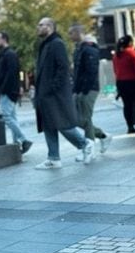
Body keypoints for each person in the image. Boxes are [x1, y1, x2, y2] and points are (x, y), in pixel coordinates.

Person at [33, 17, 93, 169]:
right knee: (48, 125)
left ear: (50, 27)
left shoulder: (56, 44)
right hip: (45, 93)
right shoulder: (45, 44)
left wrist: (52, 88)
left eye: (41, 25)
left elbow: (62, 68)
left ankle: (85, 144)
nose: (38, 28)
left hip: (55, 94)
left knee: (63, 124)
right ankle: (53, 158)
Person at [68, 24, 108, 153]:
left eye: (71, 33)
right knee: (77, 119)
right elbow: (77, 73)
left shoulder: (89, 49)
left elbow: (91, 72)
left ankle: (89, 148)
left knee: (85, 119)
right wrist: (76, 90)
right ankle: (103, 136)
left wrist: (83, 90)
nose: (70, 36)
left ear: (79, 33)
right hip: (80, 90)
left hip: (89, 89)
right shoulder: (78, 49)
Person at [0, 31, 32, 154]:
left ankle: (24, 140)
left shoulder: (9, 55)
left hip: (8, 91)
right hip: (8, 90)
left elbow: (13, 74)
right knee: (13, 117)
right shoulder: (3, 55)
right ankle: (17, 145)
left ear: (4, 39)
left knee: (6, 116)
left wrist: (4, 89)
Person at [112, 35, 135, 133]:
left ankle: (130, 126)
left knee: (127, 105)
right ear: (130, 43)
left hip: (121, 83)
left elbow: (115, 70)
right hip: (134, 82)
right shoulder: (132, 53)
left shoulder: (116, 55)